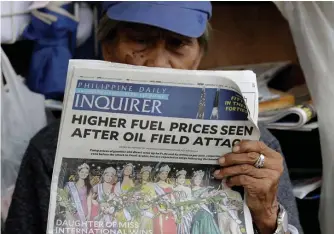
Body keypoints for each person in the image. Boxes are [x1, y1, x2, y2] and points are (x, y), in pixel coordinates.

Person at [5, 2, 302, 234]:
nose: (159, 64)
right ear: (108, 48)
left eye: (178, 44)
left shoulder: (253, 146)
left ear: (198, 57)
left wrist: (266, 214)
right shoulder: (50, 149)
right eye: (139, 40)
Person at [190, 170, 220, 234]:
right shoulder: (189, 189)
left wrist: (211, 195)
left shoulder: (204, 189)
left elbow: (207, 202)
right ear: (193, 179)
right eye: (196, 179)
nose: (198, 180)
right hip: (195, 212)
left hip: (204, 212)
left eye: (199, 179)